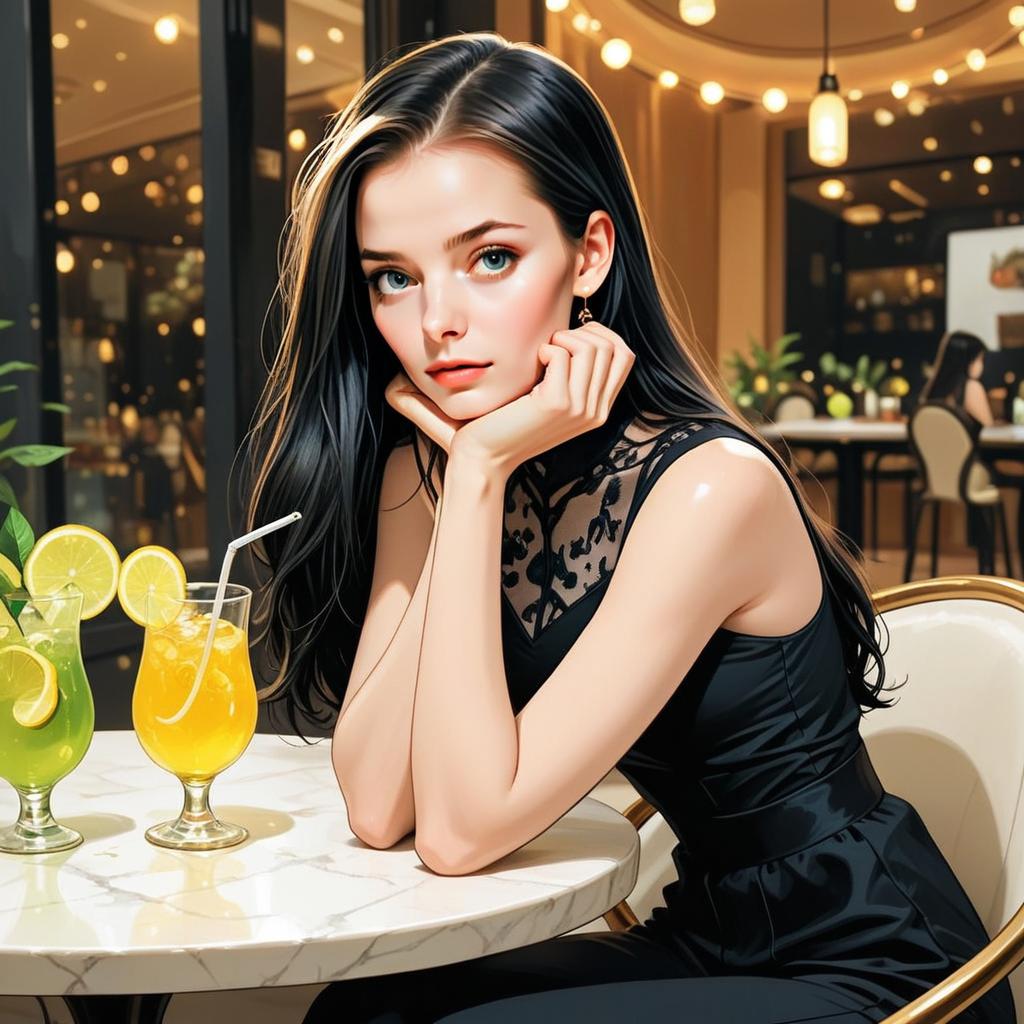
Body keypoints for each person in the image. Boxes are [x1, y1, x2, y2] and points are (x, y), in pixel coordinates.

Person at [236, 32, 1014, 1024]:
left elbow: (462, 832)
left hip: (874, 964)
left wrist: (474, 474)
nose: (438, 320)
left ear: (588, 254)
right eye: (393, 276)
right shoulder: (429, 466)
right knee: (362, 1008)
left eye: (490, 258)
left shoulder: (706, 488)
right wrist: (459, 479)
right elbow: (380, 803)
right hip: (706, 934)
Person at [919, 329, 995, 427]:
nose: (981, 365)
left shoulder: (931, 391)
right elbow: (988, 430)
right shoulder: (971, 387)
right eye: (980, 359)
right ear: (968, 361)